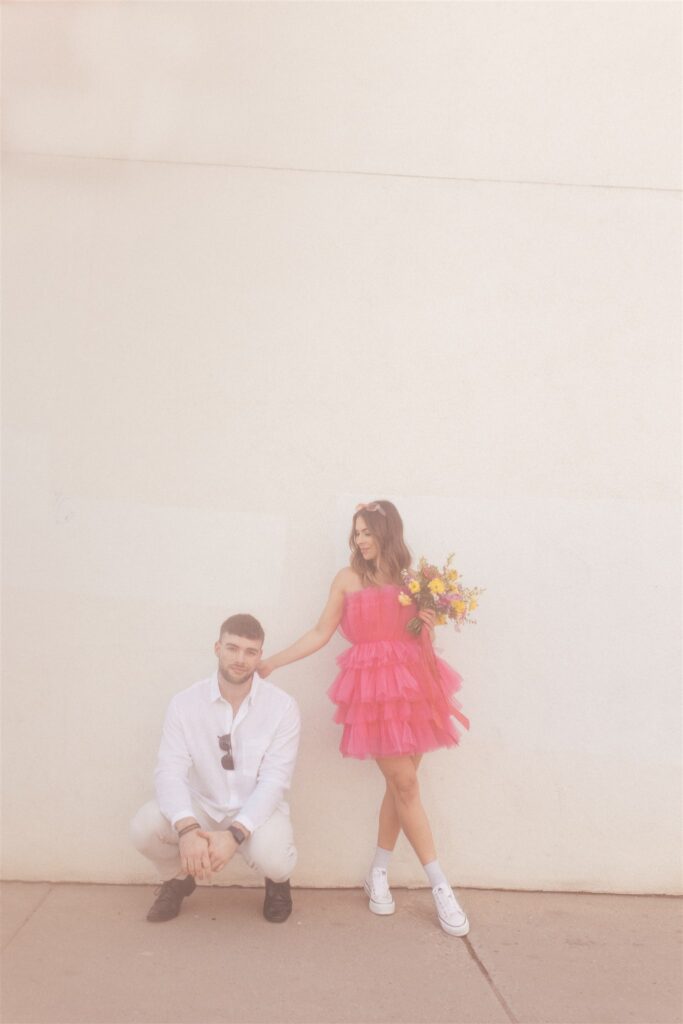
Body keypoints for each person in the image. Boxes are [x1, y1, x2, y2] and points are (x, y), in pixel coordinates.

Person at [257, 501, 470, 936]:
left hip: (414, 689)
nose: (361, 540)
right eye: (356, 533)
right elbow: (320, 632)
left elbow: (416, 636)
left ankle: (377, 872)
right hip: (373, 694)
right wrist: (273, 662)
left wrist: (428, 621)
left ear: (387, 532)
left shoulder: (415, 581)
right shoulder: (347, 579)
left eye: (368, 532)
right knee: (406, 784)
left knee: (401, 786)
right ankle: (441, 886)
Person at [130, 613, 300, 924]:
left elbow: (275, 780)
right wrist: (188, 830)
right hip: (204, 806)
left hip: (255, 810)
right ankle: (180, 879)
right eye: (232, 648)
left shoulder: (282, 706)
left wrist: (235, 834)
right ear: (217, 647)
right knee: (143, 828)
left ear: (260, 656)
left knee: (275, 859)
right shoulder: (184, 703)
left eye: (250, 652)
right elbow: (169, 772)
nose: (240, 659)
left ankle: (277, 884)